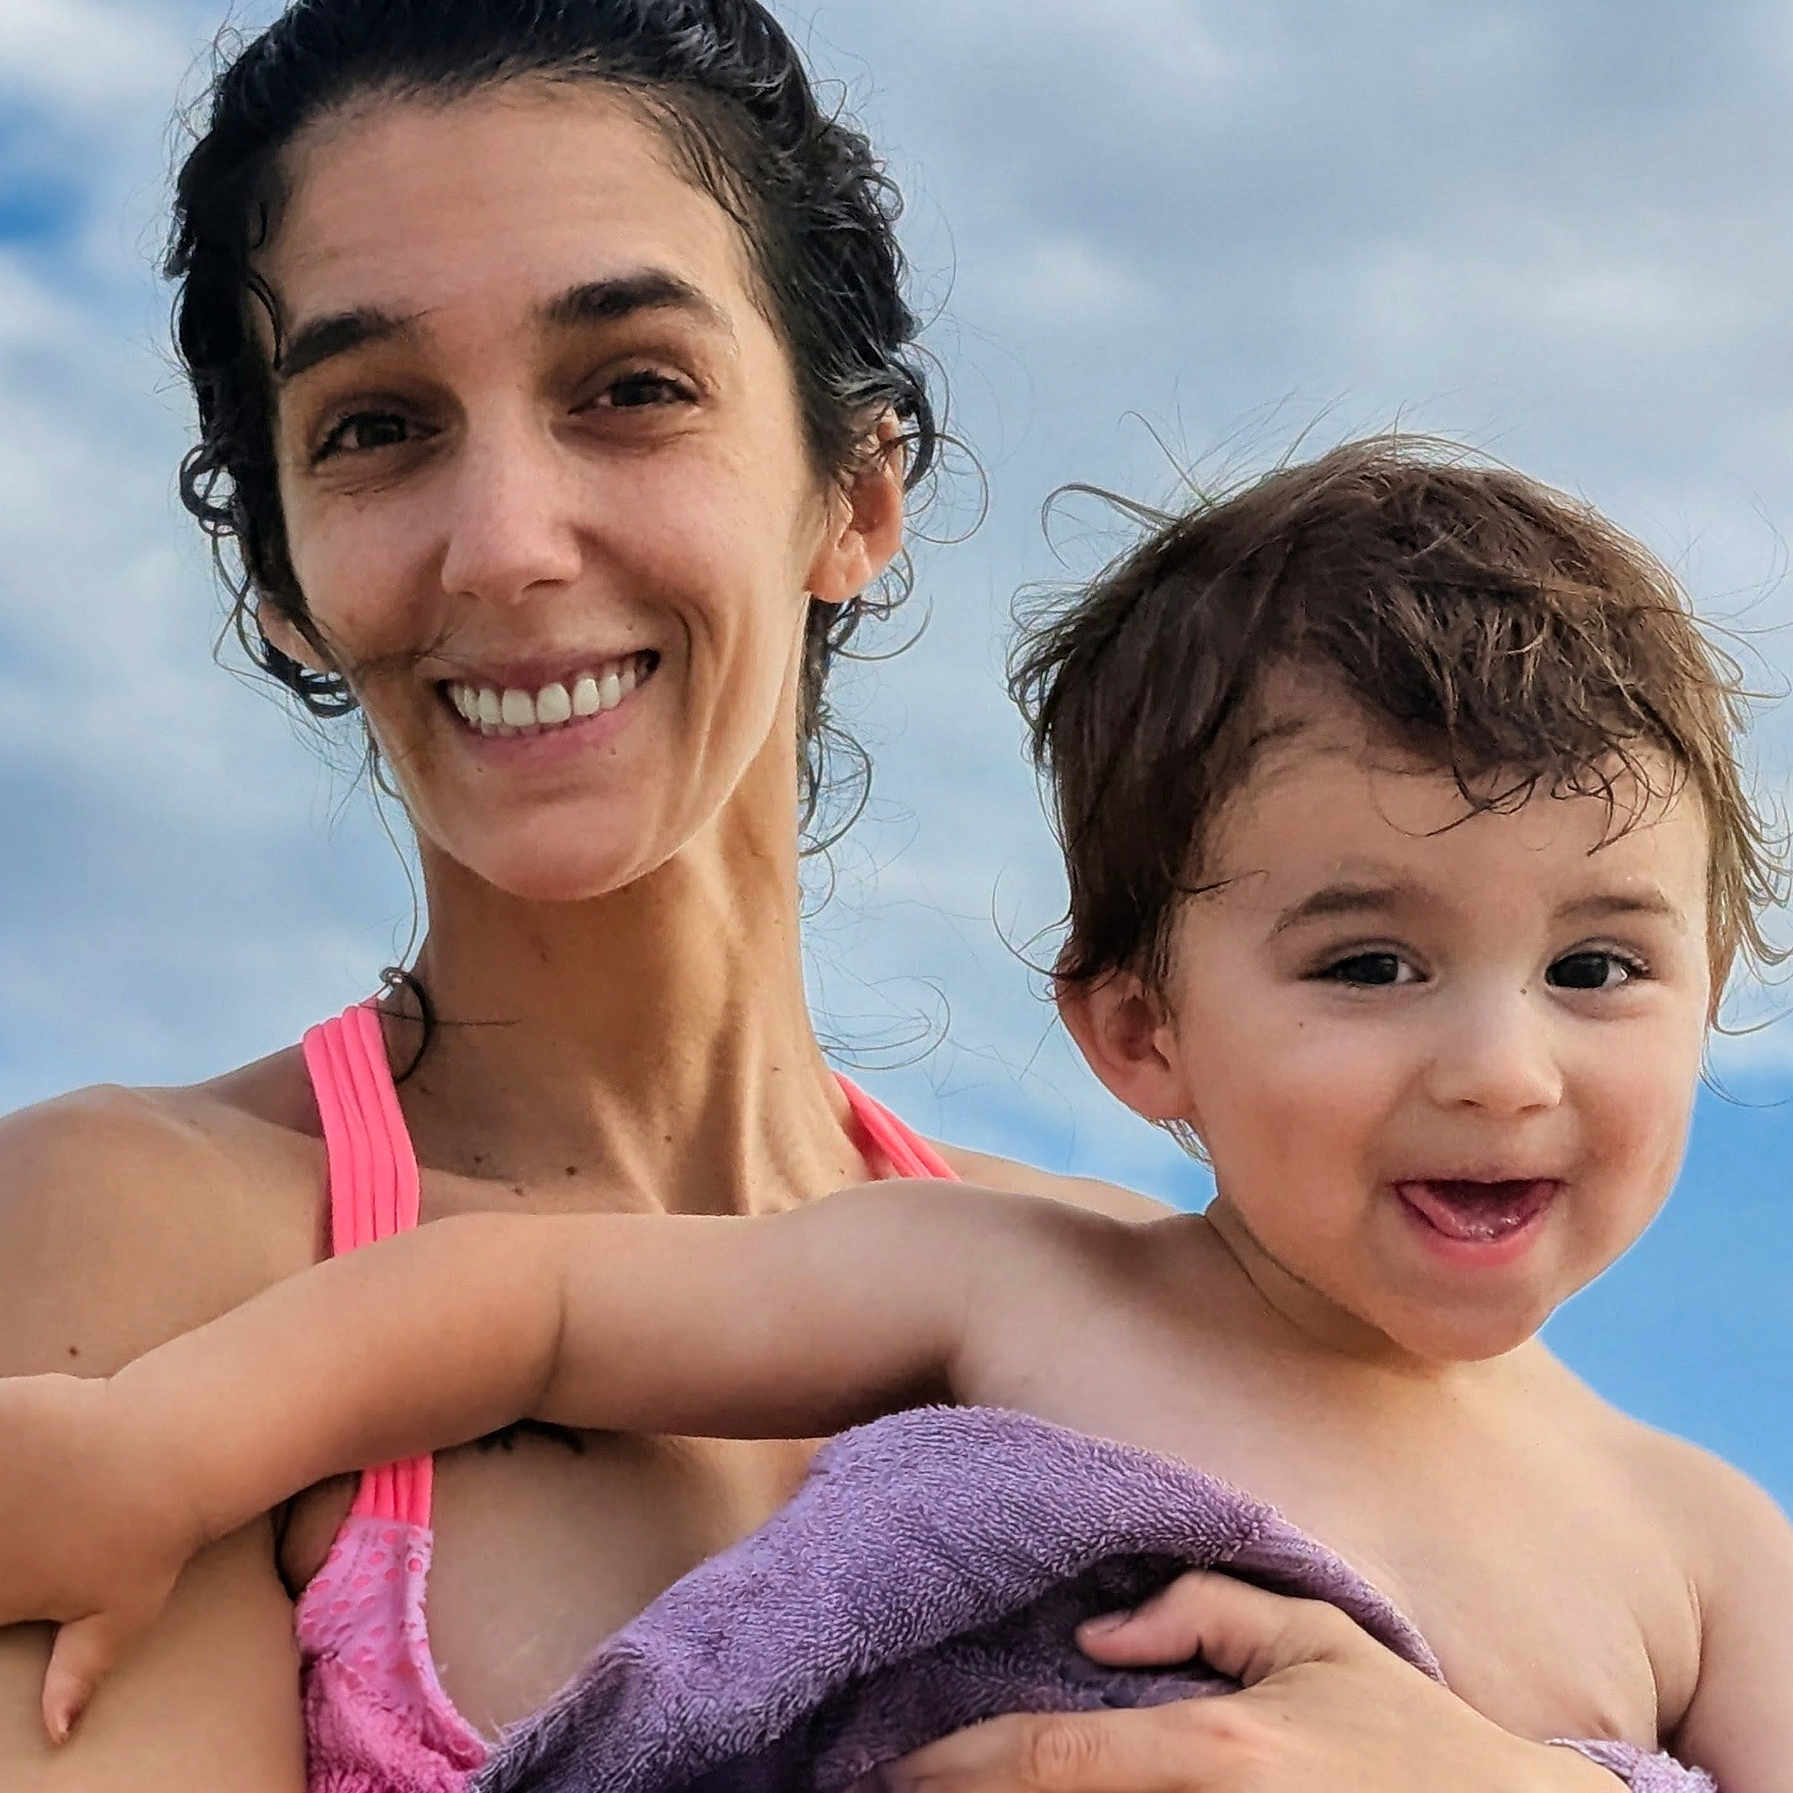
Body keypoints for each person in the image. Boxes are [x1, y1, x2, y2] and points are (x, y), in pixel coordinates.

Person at [6, 436, 1784, 1793]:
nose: (1500, 1066)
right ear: (1143, 1031)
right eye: (1371, 966)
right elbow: (532, 1307)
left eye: (1598, 967)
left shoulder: (1702, 1548)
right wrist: (166, 1446)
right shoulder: (1020, 1281)